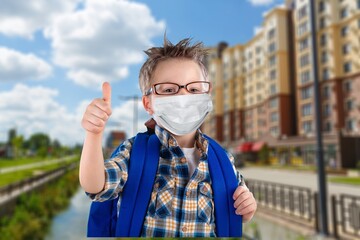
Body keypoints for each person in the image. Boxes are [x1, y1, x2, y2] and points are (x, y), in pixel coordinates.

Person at [79, 37, 257, 237]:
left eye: (194, 89)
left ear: (207, 94)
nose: (183, 97)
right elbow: (96, 185)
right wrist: (93, 135)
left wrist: (247, 209)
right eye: (169, 90)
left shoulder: (223, 160)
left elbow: (238, 209)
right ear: (148, 104)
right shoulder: (134, 153)